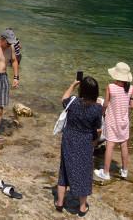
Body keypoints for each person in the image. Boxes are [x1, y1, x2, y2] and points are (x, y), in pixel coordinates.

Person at [55, 76, 103, 215]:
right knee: (84, 172)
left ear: (82, 89)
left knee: (64, 169)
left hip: (69, 139)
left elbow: (63, 98)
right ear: (95, 92)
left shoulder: (73, 102)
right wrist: (95, 142)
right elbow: (98, 129)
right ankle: (82, 208)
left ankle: (59, 203)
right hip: (85, 141)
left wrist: (73, 85)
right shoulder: (97, 108)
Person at [95, 62, 133, 182]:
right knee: (124, 145)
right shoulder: (131, 88)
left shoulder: (110, 87)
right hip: (124, 121)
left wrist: (101, 112)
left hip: (112, 120)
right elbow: (132, 105)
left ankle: (106, 173)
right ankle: (124, 171)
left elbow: (106, 104)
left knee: (110, 145)